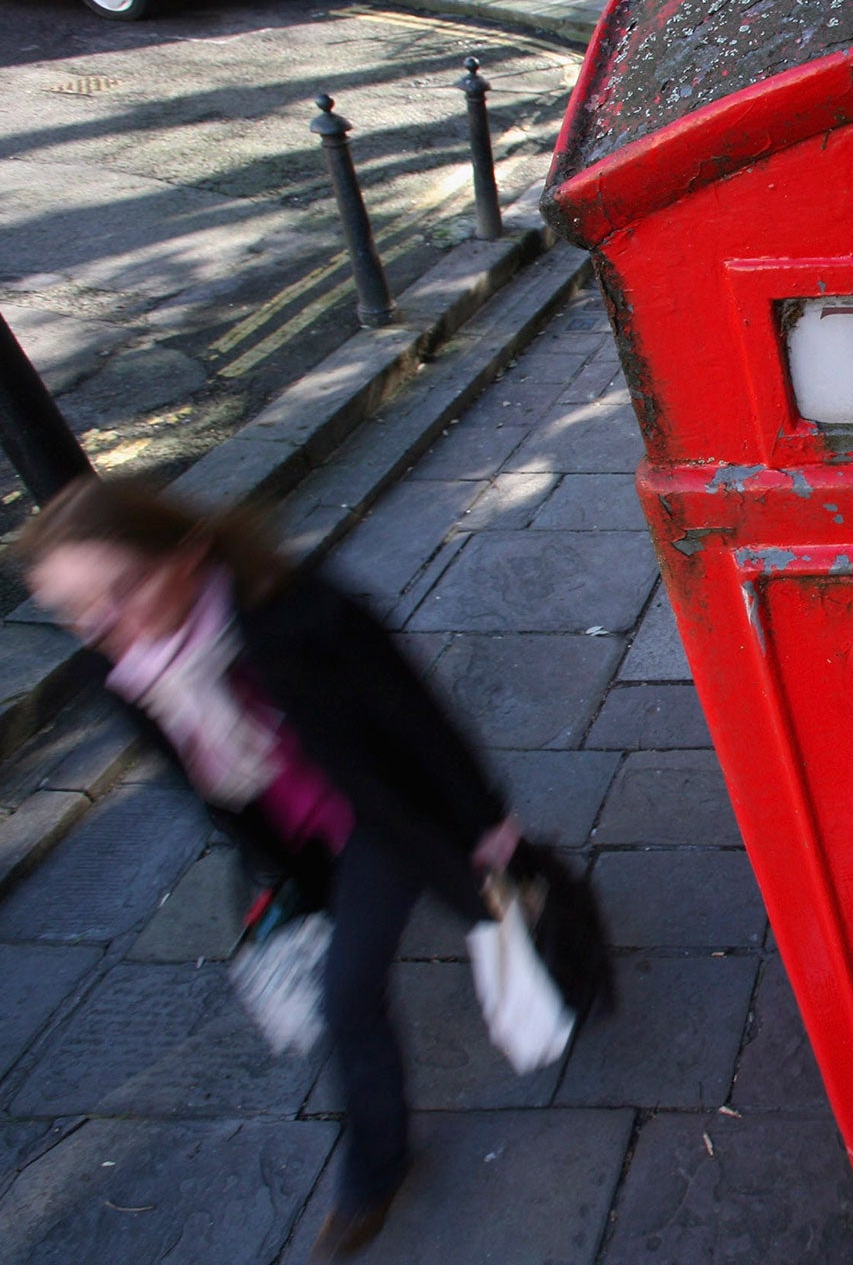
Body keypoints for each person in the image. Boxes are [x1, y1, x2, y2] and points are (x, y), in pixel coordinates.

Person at [20, 476, 521, 1260]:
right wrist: (267, 871)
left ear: (187, 556)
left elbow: (412, 714)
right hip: (294, 843)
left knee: (357, 988)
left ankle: (371, 1174)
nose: (102, 626)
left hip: (379, 815)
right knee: (418, 939)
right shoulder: (120, 672)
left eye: (122, 591)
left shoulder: (298, 611)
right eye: (76, 611)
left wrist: (484, 816)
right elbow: (202, 781)